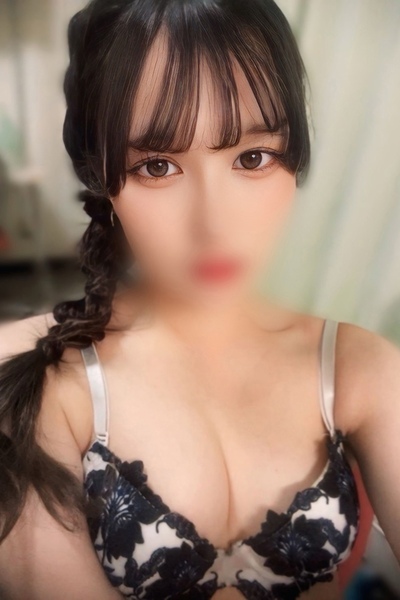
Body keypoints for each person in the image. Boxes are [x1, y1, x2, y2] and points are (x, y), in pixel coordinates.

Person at [0, 1, 399, 598]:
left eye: (252, 158)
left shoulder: (359, 366)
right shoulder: (30, 375)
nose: (214, 223)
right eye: (157, 166)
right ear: (101, 179)